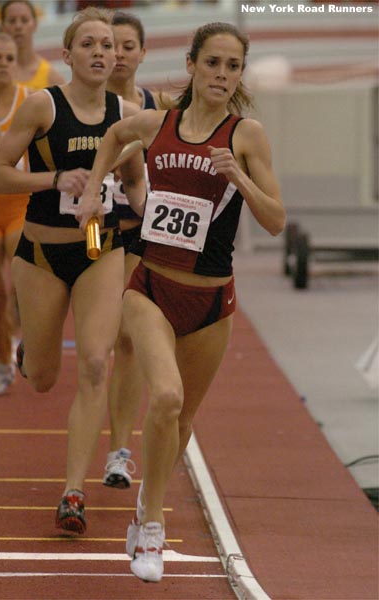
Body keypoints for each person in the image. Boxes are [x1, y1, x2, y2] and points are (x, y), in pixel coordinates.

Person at [77, 21, 286, 582]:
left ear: (240, 74)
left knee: (183, 420)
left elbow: (275, 221)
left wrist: (238, 177)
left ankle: (151, 496)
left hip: (213, 300)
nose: (221, 75)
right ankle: (150, 522)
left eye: (232, 66)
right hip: (150, 286)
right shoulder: (155, 122)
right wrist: (97, 189)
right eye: (212, 63)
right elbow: (115, 138)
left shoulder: (247, 135)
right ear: (192, 65)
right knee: (164, 396)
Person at [0, 6, 146, 534]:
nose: (103, 53)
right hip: (40, 255)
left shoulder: (125, 113)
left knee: (97, 362)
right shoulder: (43, 107)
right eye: (91, 45)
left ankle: (72, 492)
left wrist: (143, 213)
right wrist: (54, 180)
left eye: (110, 45)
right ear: (69, 54)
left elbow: (135, 179)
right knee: (43, 379)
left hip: (102, 249)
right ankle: (31, 349)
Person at [103, 10, 173, 491]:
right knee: (95, 334)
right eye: (112, 45)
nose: (120, 54)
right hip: (87, 230)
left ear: (143, 53)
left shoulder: (157, 107)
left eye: (129, 46)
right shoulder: (77, 104)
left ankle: (118, 452)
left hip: (135, 230)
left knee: (125, 339)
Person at [0, 33, 31, 395]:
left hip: (20, 203)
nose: (3, 64)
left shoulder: (30, 100)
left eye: (9, 58)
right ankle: (2, 362)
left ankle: (29, 343)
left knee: (22, 286)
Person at [0, 0, 65, 89]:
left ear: (35, 24)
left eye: (24, 20)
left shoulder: (51, 77)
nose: (18, 26)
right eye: (12, 21)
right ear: (2, 26)